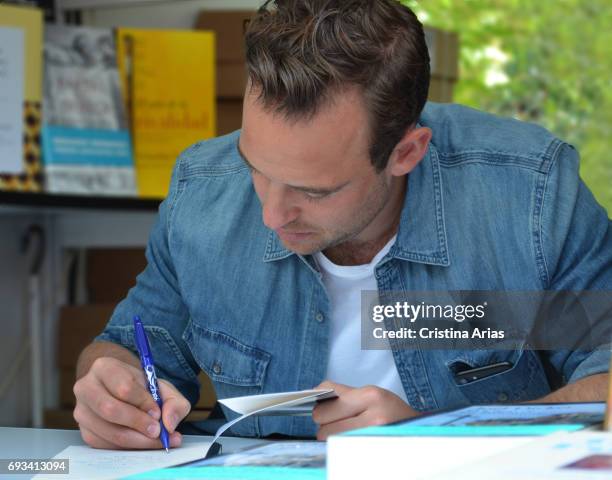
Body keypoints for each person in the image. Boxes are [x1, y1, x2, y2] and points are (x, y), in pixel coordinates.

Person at [73, 0, 611, 450]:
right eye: (254, 168)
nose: (271, 214)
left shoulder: (529, 195)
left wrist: (438, 437)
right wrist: (109, 387)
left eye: (314, 190)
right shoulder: (201, 190)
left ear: (405, 153)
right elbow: (130, 343)